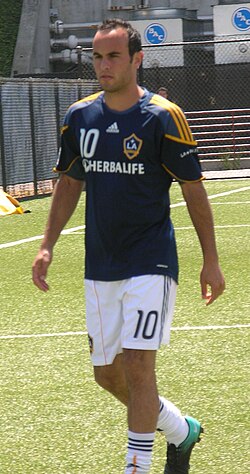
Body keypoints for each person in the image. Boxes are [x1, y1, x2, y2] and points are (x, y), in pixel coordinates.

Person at [32, 18, 225, 474]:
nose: (103, 65)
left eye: (113, 55)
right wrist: (47, 244)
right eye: (97, 56)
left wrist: (210, 261)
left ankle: (135, 467)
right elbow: (69, 182)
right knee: (107, 375)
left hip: (151, 259)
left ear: (137, 59)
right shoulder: (79, 117)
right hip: (101, 263)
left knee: (139, 367)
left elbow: (194, 190)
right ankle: (180, 428)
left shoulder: (163, 116)